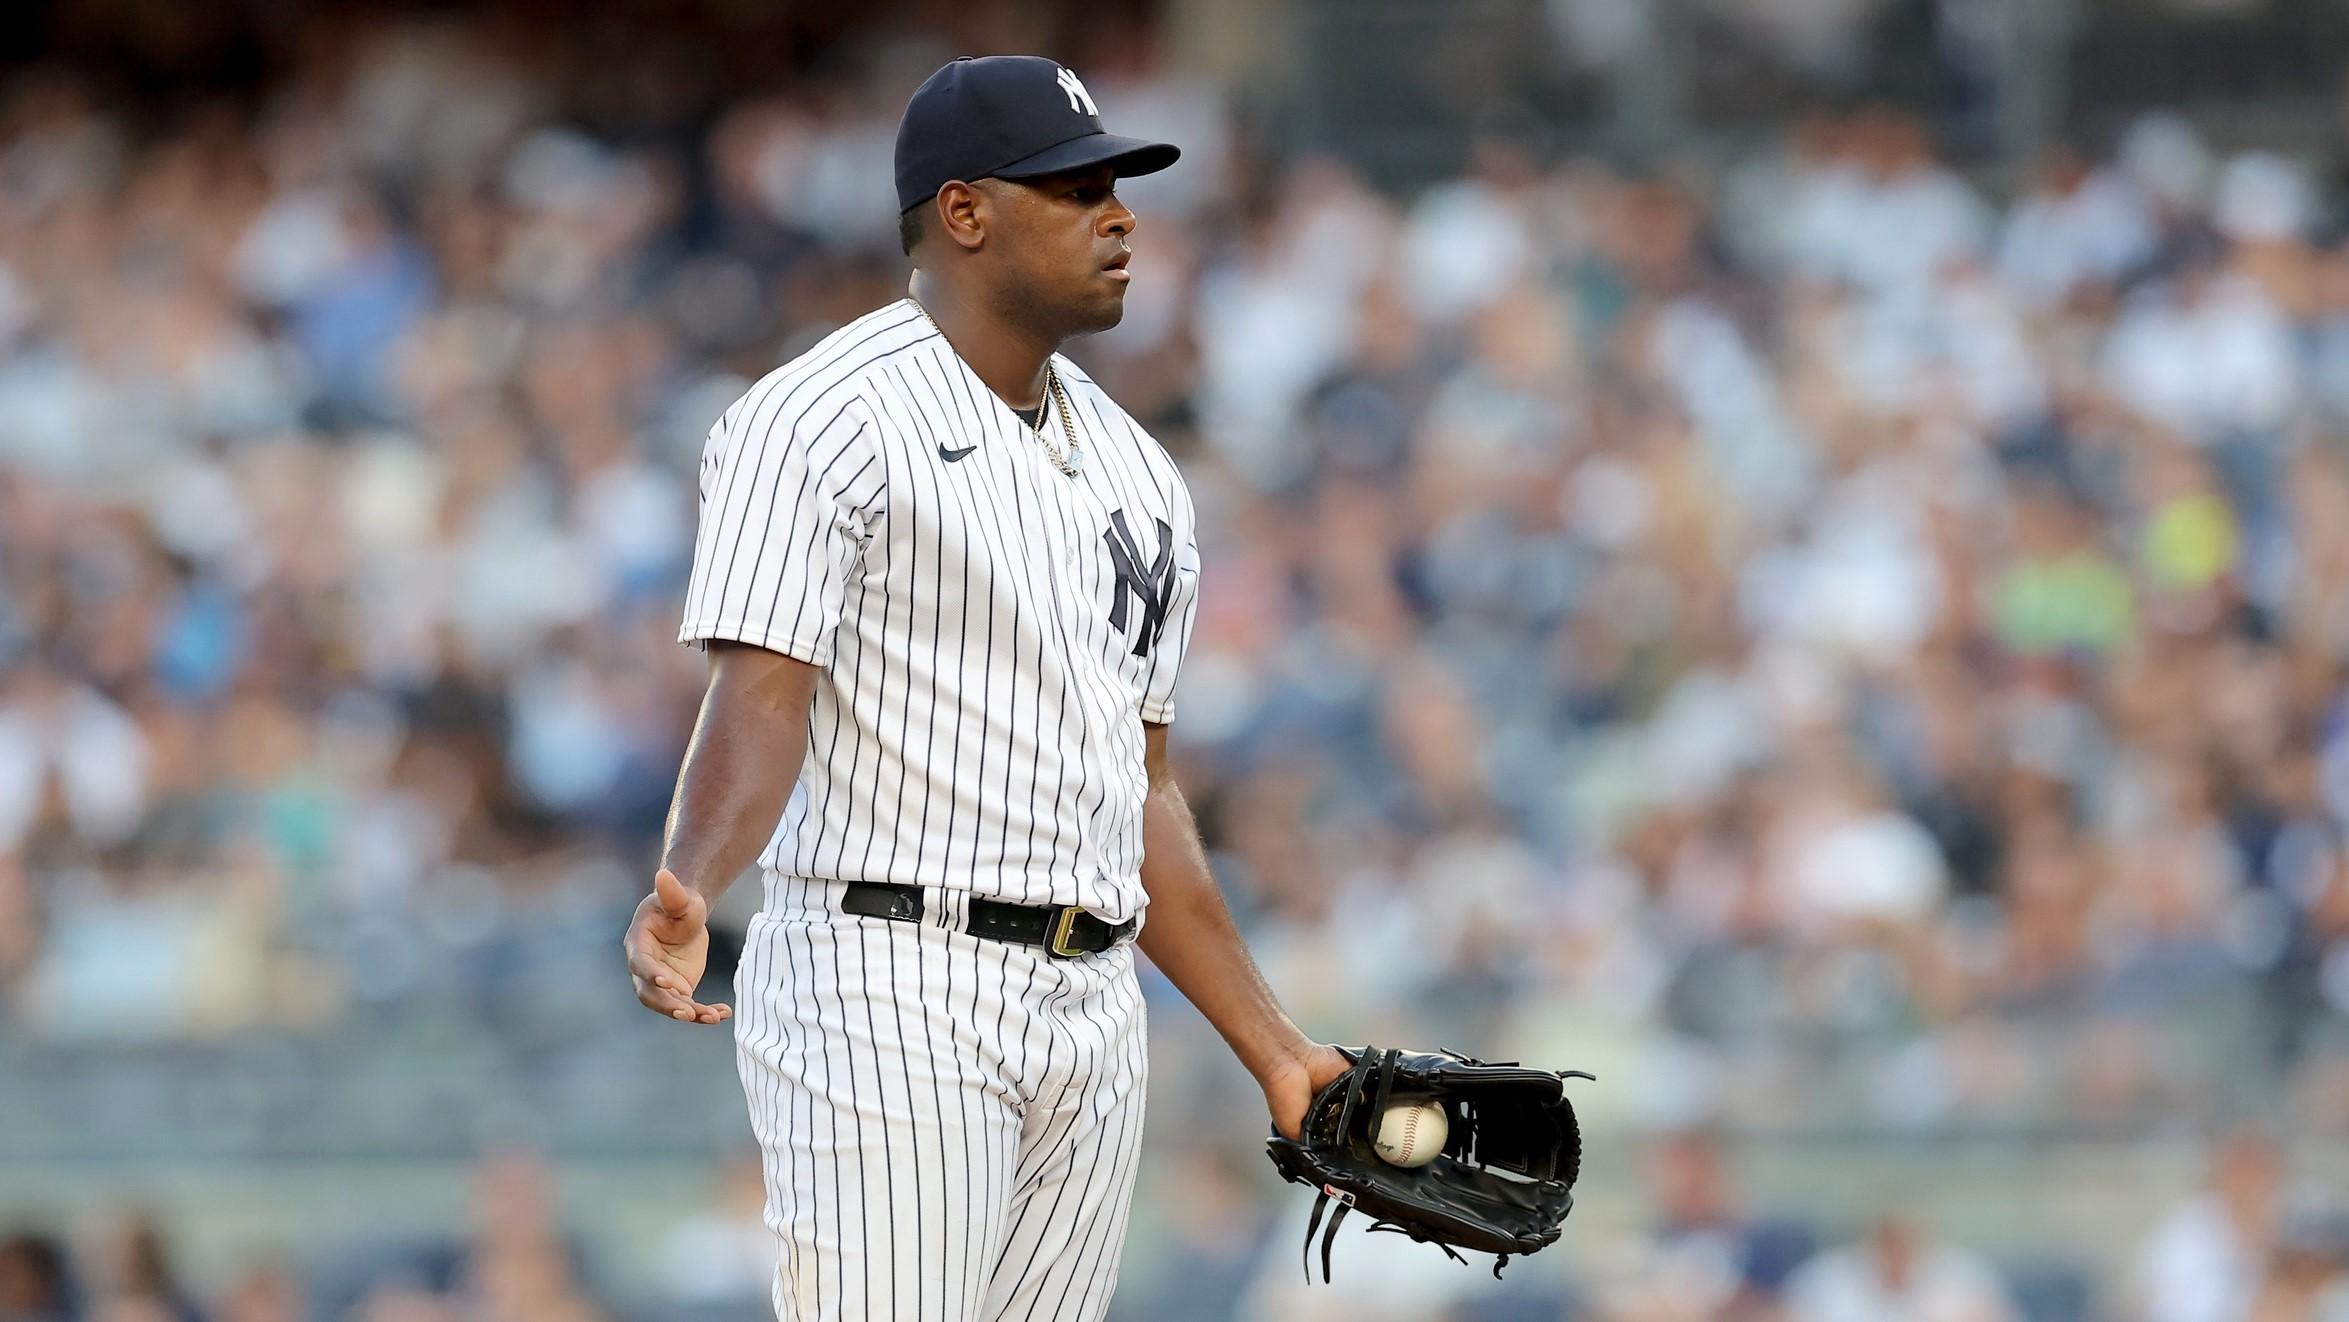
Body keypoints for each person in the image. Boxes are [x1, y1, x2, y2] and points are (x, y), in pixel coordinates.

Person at [621, 54, 1349, 1322]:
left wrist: (1277, 1050)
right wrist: (696, 876)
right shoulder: (818, 418)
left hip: (1094, 1001)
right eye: (1075, 187)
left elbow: (1141, 793)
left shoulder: (1141, 474)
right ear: (964, 213)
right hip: (887, 978)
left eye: (1118, 185)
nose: (1119, 213)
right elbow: (761, 691)